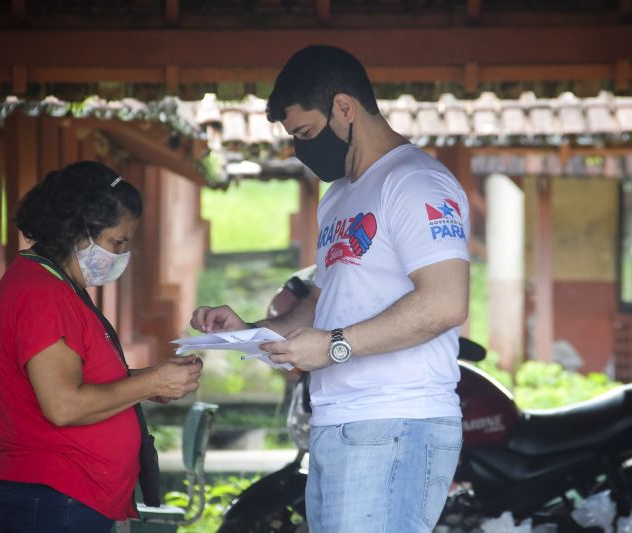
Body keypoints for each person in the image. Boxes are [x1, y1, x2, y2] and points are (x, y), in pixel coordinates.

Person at [192, 46, 471, 532]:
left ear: (344, 108)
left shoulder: (415, 183)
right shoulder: (339, 195)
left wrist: (336, 346)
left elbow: (446, 303)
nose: (303, 149)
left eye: (305, 133)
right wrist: (252, 331)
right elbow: (325, 308)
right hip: (338, 422)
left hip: (396, 422)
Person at [0, 161, 203, 532]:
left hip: (74, 494)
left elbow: (82, 380)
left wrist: (150, 381)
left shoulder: (57, 285)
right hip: (55, 495)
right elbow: (64, 406)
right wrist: (151, 383)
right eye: (117, 243)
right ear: (77, 231)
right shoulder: (40, 293)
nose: (122, 256)